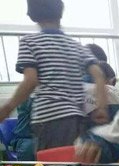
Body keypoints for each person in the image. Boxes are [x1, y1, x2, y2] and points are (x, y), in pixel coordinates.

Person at [0, 0, 108, 153]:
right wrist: (101, 107)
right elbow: (99, 74)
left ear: (31, 15)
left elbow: (30, 81)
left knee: (52, 164)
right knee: (73, 162)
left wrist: (7, 108)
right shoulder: (76, 45)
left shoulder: (30, 42)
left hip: (49, 118)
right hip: (77, 119)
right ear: (60, 11)